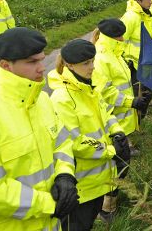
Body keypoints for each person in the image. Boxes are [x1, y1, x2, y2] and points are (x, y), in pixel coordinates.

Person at [0, 27, 79, 230]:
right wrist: (49, 205)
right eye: (32, 62)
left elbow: (61, 144)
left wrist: (65, 176)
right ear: (5, 65)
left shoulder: (42, 100)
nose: (41, 68)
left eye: (41, 59)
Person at [48, 39, 131, 229]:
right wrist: (111, 150)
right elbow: (74, 142)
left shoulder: (89, 88)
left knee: (89, 223)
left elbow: (106, 114)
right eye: (86, 63)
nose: (92, 67)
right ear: (69, 65)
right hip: (81, 186)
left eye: (92, 61)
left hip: (98, 180)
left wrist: (118, 132)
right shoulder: (63, 98)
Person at [90, 18, 150, 156]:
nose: (123, 39)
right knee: (115, 126)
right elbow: (105, 90)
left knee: (122, 123)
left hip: (121, 102)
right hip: (114, 104)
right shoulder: (101, 57)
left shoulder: (114, 52)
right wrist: (131, 101)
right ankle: (122, 149)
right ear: (110, 37)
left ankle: (126, 144)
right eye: (119, 36)